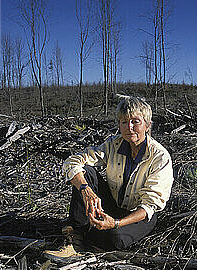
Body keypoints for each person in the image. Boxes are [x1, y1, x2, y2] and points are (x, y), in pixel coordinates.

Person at [62, 96, 173, 251]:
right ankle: (76, 237)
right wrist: (85, 190)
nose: (129, 127)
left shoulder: (160, 157)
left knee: (116, 239)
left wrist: (116, 223)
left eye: (135, 121)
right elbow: (71, 162)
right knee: (86, 172)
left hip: (138, 215)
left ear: (147, 125)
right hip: (114, 205)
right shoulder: (113, 144)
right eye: (124, 122)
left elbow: (149, 206)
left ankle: (92, 232)